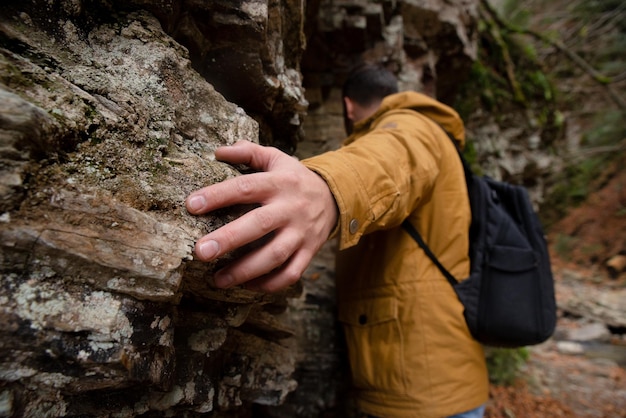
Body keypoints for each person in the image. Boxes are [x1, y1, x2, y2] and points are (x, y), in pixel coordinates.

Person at [185, 64, 489, 418]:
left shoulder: (410, 126)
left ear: (348, 107)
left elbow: (390, 159)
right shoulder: (431, 131)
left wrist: (325, 189)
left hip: (426, 392)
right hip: (442, 377)